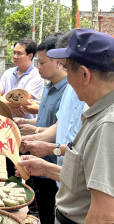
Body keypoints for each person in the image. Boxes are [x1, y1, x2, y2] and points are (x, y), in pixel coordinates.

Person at [17, 29, 114, 224]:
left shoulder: (111, 125)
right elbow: (89, 177)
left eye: (67, 70)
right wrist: (44, 169)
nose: (67, 79)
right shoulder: (105, 113)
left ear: (84, 74)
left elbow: (104, 218)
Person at [20, 30, 87, 189]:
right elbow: (61, 126)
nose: (65, 73)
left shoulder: (110, 117)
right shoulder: (67, 88)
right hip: (60, 175)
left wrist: (46, 144)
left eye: (65, 66)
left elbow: (84, 154)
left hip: (68, 180)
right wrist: (34, 140)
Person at [13, 33, 67, 224]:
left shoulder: (69, 92)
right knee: (42, 212)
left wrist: (35, 138)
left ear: (59, 62)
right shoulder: (50, 87)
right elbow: (45, 121)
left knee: (51, 213)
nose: (39, 67)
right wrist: (27, 124)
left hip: (53, 166)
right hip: (39, 162)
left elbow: (59, 128)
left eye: (42, 63)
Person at [0, 38, 44, 178]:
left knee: (27, 170)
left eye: (19, 53)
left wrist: (2, 103)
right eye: (14, 53)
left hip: (26, 131)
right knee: (10, 170)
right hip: (7, 129)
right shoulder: (8, 73)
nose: (15, 56)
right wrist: (12, 106)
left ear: (30, 56)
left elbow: (24, 101)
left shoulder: (36, 76)